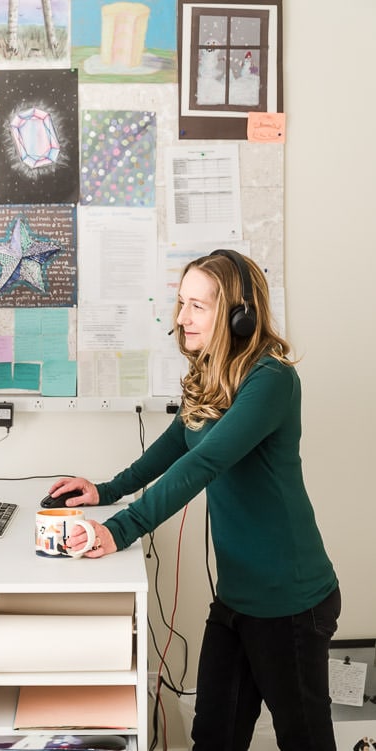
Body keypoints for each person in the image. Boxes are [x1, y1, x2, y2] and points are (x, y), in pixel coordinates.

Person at [48, 249, 341, 751]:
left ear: (238, 314)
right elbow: (174, 446)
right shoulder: (210, 373)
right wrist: (106, 490)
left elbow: (203, 463)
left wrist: (120, 528)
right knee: (213, 738)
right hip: (237, 598)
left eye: (197, 306)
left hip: (289, 602)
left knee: (305, 740)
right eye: (181, 302)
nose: (181, 318)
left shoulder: (270, 380)